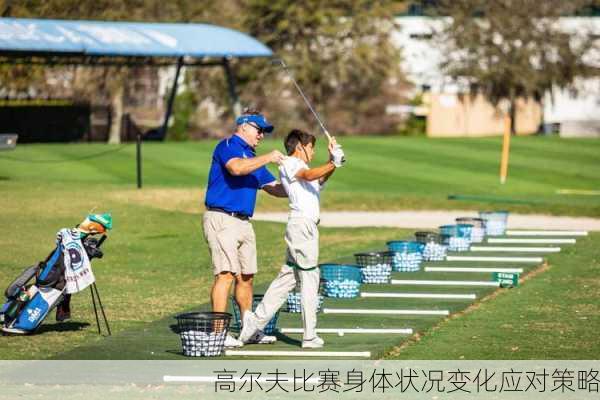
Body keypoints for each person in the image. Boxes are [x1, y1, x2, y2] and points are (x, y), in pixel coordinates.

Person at [238, 129, 345, 348]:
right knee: (309, 277)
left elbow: (319, 178)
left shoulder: (304, 167)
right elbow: (309, 175)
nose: (313, 153)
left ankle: (253, 325)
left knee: (286, 279)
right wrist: (334, 162)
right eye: (311, 148)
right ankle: (309, 336)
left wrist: (332, 160)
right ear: (300, 147)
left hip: (303, 228)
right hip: (302, 227)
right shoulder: (290, 163)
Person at [203, 109, 287, 348]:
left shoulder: (252, 157)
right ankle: (218, 333)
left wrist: (306, 183)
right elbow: (236, 168)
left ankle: (248, 330)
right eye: (259, 130)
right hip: (221, 218)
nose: (261, 136)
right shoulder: (228, 145)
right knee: (225, 274)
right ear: (244, 126)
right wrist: (269, 157)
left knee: (246, 276)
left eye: (264, 132)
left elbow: (273, 187)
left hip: (243, 222)